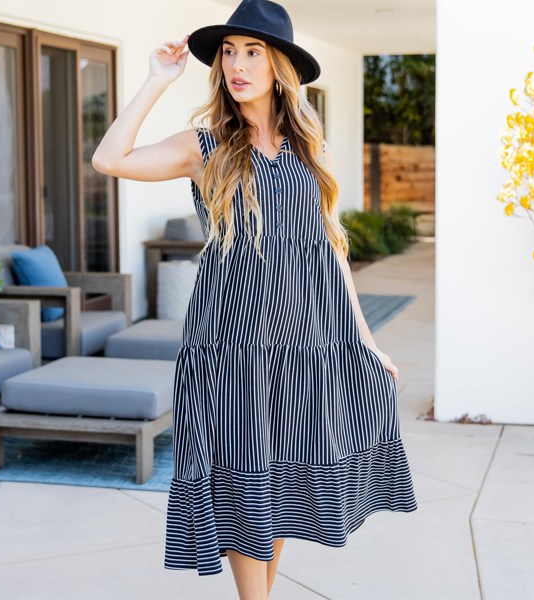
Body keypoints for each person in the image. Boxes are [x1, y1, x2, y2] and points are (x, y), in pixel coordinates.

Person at [93, 0, 418, 597]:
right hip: (232, 342)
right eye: (228, 53)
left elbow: (332, 250)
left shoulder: (309, 147)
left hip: (306, 341)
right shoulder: (205, 145)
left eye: (253, 52)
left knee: (279, 483)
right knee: (244, 482)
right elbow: (109, 159)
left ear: (279, 66)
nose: (237, 65)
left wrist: (366, 340)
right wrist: (157, 79)